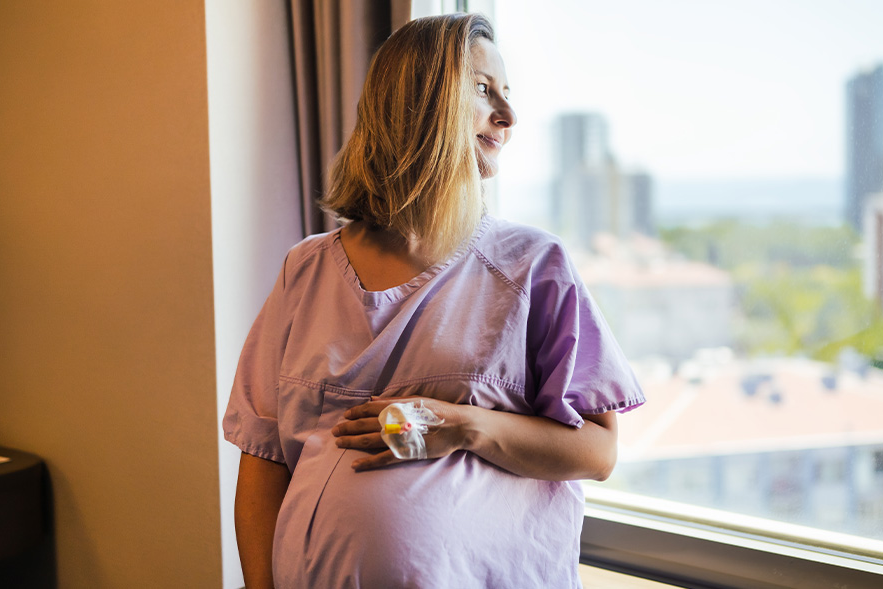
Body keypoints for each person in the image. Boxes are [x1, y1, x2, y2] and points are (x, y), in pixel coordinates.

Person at [224, 13, 644, 588]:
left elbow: (597, 453)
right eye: (481, 89)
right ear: (414, 104)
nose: (508, 115)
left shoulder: (531, 267)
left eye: (507, 94)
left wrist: (462, 425)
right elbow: (264, 456)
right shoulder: (308, 268)